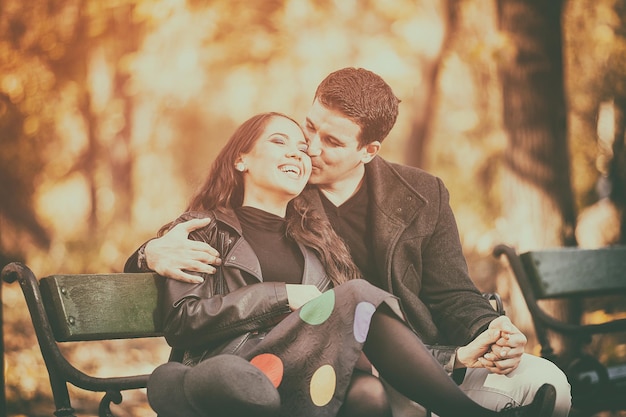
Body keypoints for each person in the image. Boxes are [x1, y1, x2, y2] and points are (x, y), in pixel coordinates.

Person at [126, 68, 571, 416]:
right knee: (355, 303)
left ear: (368, 150)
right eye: (304, 133)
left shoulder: (330, 230)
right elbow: (183, 303)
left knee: (542, 382)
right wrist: (148, 252)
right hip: (264, 361)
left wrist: (481, 337)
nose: (309, 151)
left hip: (365, 364)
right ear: (240, 158)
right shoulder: (245, 217)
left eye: (328, 142)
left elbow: (447, 294)